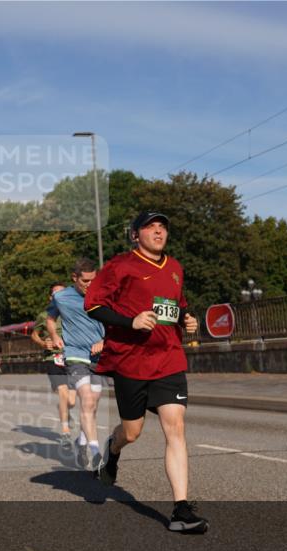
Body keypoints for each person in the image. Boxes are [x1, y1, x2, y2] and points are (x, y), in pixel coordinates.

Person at [85, 212, 207, 534]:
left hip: (168, 360)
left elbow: (176, 307)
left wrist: (186, 319)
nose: (158, 231)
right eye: (151, 226)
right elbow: (93, 305)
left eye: (163, 226)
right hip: (131, 361)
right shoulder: (120, 266)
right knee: (133, 432)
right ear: (135, 235)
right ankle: (112, 450)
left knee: (175, 428)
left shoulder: (176, 268)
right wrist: (131, 322)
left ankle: (181, 510)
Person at [47, 258, 106, 470]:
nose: (90, 285)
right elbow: (50, 318)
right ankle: (96, 452)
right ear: (74, 278)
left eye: (93, 280)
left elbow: (113, 321)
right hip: (76, 356)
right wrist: (54, 335)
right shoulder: (61, 297)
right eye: (85, 281)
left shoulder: (103, 293)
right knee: (87, 399)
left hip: (99, 357)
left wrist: (103, 341)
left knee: (93, 405)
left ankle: (81, 442)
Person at [31, 283, 76, 447]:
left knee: (71, 401)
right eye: (56, 293)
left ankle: (64, 410)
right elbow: (34, 335)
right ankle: (65, 432)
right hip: (53, 359)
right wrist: (43, 343)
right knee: (63, 394)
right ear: (51, 297)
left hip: (72, 359)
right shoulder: (44, 315)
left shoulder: (73, 312)